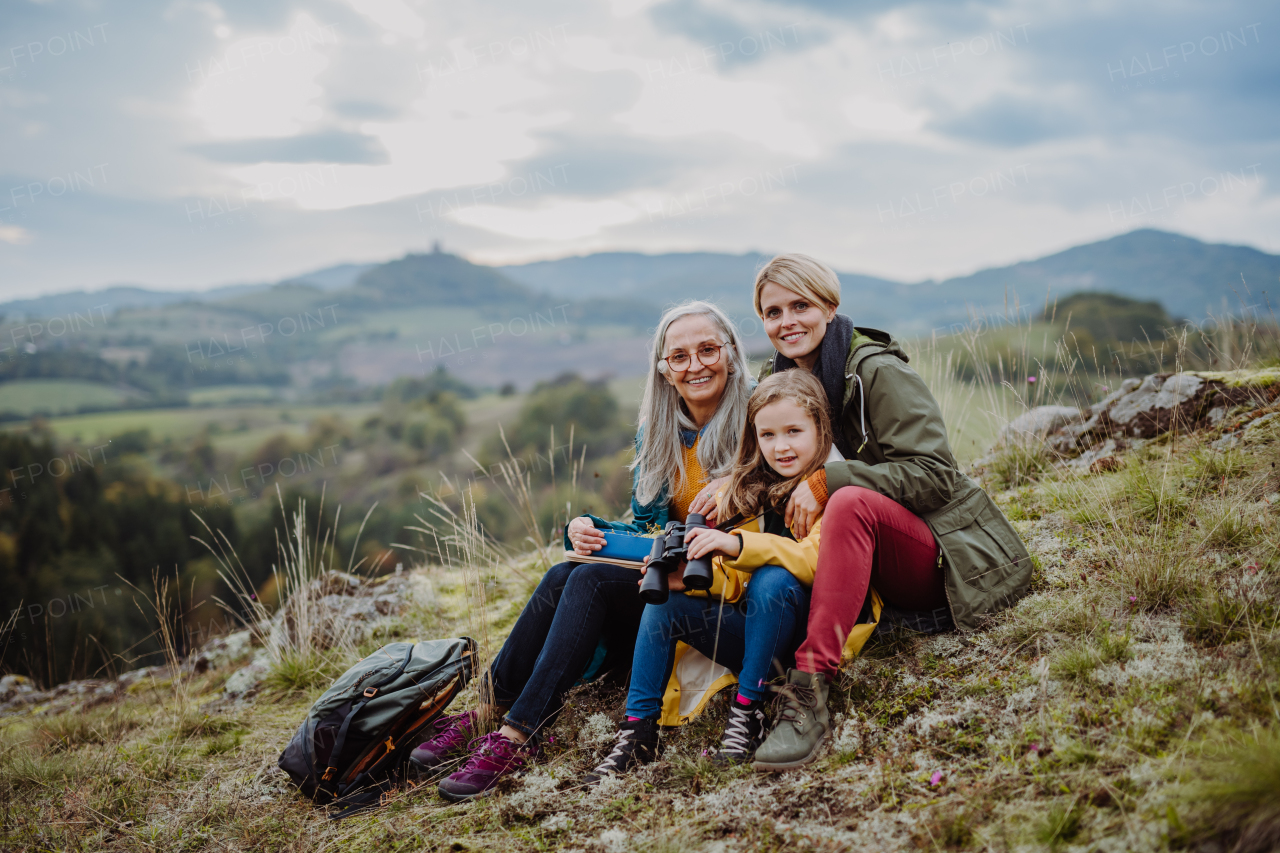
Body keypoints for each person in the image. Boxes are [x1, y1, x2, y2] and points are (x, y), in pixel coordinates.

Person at [412, 300, 753, 801]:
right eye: (678, 357)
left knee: (588, 581)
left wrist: (736, 482)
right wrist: (589, 529)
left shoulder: (758, 419)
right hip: (668, 576)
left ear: (730, 352)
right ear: (663, 371)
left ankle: (516, 737)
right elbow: (648, 528)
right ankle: (489, 707)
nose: (695, 365)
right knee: (564, 572)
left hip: (723, 589)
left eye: (707, 350)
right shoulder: (659, 432)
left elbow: (786, 493)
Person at [745, 253, 1033, 771]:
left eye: (800, 306)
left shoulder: (876, 371)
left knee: (850, 501)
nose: (786, 322)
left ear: (830, 307)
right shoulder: (781, 377)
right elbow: (778, 459)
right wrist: (733, 483)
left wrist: (828, 480)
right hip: (851, 560)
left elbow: (936, 474)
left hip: (933, 555)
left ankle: (810, 695)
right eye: (772, 313)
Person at [585, 370, 846, 780]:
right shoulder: (755, 488)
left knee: (774, 579)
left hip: (804, 642)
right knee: (668, 599)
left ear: (821, 429)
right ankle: (638, 730)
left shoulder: (834, 488)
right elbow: (738, 580)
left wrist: (737, 547)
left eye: (794, 431)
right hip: (756, 637)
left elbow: (815, 562)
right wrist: (693, 576)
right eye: (768, 436)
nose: (782, 447)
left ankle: (748, 712)